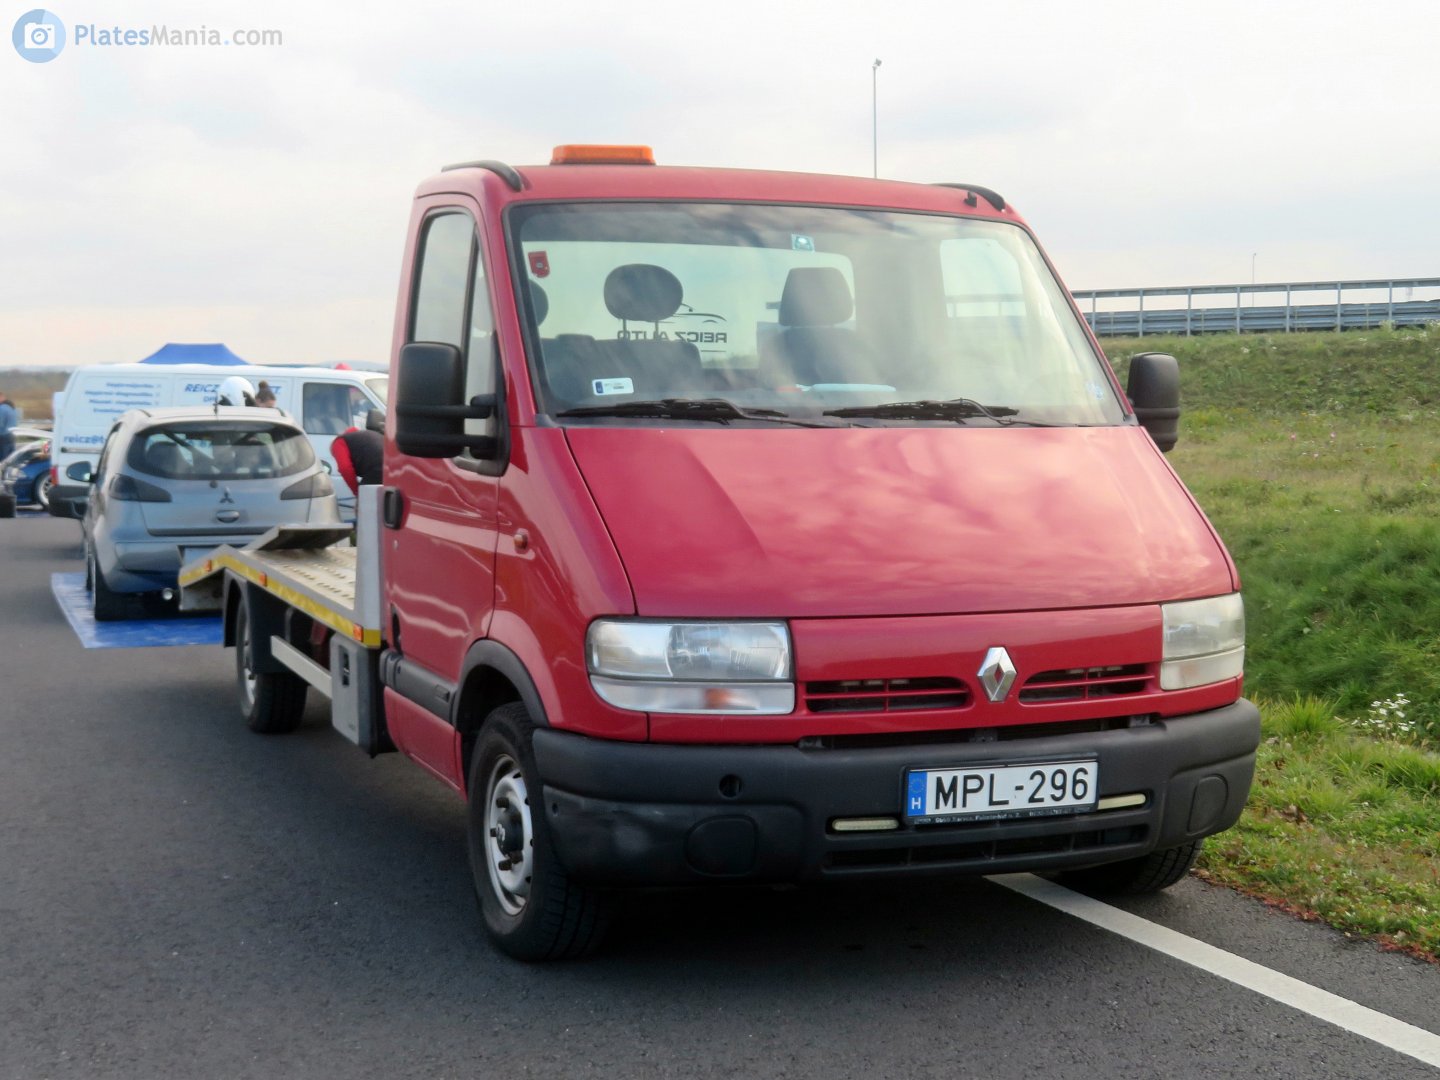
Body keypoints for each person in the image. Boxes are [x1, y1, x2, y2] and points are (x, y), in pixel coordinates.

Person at [330, 427, 383, 495]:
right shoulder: (360, 437)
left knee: (365, 500)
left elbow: (345, 468)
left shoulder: (338, 443)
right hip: (392, 463)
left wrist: (356, 491)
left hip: (377, 465)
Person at [0, 392, 16, 462]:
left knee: (3, 460)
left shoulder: (1, 409)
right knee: (11, 459)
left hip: (3, 437)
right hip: (12, 435)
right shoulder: (11, 408)